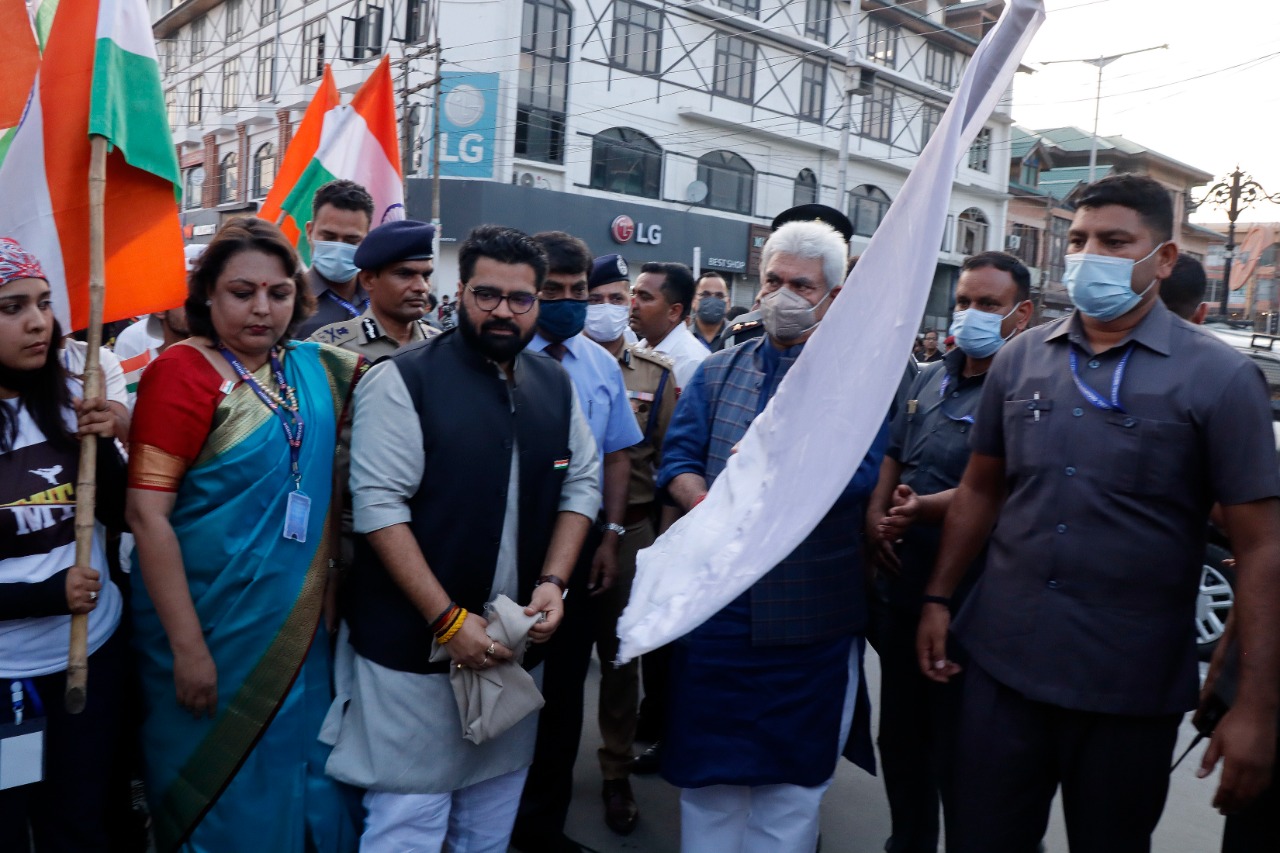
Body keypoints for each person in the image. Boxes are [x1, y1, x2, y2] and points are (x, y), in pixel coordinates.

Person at [917, 174, 1280, 853]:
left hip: (1128, 685)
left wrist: (1257, 704)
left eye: (1116, 241)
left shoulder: (1221, 379)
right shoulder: (1021, 358)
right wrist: (939, 596)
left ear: (1163, 258)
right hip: (1003, 665)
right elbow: (981, 490)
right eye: (1079, 240)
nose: (1090, 256)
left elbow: (1262, 549)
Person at [322, 224, 601, 853]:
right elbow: (378, 509)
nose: (504, 311)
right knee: (408, 825)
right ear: (460, 292)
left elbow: (581, 487)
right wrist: (447, 622)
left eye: (520, 298)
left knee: (487, 827)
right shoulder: (403, 380)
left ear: (536, 304)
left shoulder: (554, 386)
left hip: (509, 651)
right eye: (488, 294)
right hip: (412, 657)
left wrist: (554, 582)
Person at [126, 218, 362, 853]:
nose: (262, 308)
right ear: (206, 295)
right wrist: (188, 649)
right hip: (205, 624)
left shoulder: (314, 370)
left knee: (307, 777)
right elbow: (148, 516)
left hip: (300, 622)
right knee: (222, 800)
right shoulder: (181, 373)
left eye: (279, 293)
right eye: (241, 292)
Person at [657, 220, 886, 853]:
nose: (783, 295)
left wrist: (768, 485)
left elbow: (859, 478)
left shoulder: (863, 386)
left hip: (807, 623)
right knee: (708, 791)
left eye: (800, 285)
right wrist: (705, 500)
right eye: (773, 281)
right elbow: (676, 463)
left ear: (833, 297)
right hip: (715, 615)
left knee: (789, 798)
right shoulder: (717, 373)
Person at [866, 251, 1033, 853]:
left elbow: (1001, 487)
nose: (971, 315)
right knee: (902, 741)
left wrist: (924, 508)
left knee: (966, 754)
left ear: (1021, 314)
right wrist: (876, 512)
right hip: (903, 592)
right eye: (963, 302)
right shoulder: (929, 375)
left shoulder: (1026, 391)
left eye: (988, 305)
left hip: (972, 605)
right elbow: (894, 449)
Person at [513, 232, 642, 853]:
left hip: (581, 545)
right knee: (497, 688)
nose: (567, 303)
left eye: (576, 293)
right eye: (553, 292)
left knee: (562, 696)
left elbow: (618, 456)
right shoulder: (502, 355)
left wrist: (610, 537)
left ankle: (543, 827)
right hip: (508, 542)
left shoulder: (598, 364)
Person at [0, 238, 128, 852]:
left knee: (76, 825)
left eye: (44, 303)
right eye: (12, 307)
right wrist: (46, 594)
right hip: (7, 684)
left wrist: (102, 442)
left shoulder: (68, 404)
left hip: (87, 661)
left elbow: (123, 515)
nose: (37, 322)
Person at [582, 252, 679, 836]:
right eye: (599, 298)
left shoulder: (657, 372)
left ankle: (615, 772)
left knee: (621, 660)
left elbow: (671, 461)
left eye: (619, 299)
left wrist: (664, 544)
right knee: (552, 658)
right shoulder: (552, 362)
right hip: (562, 530)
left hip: (634, 532)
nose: (609, 309)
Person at [309, 219, 440, 359]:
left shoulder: (441, 347)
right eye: (405, 274)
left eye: (426, 276)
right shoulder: (328, 349)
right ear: (368, 280)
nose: (421, 287)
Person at [295, 180, 375, 338]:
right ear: (310, 232)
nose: (338, 247)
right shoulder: (289, 301)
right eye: (329, 237)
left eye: (351, 240)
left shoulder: (381, 298)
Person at [630, 262, 706, 391]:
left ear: (674, 311)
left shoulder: (691, 362)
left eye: (645, 297)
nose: (633, 304)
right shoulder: (636, 349)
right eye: (633, 294)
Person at [689, 272, 729, 351]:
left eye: (719, 295)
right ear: (693, 301)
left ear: (728, 303)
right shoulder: (681, 336)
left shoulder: (738, 336)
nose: (712, 300)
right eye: (705, 295)